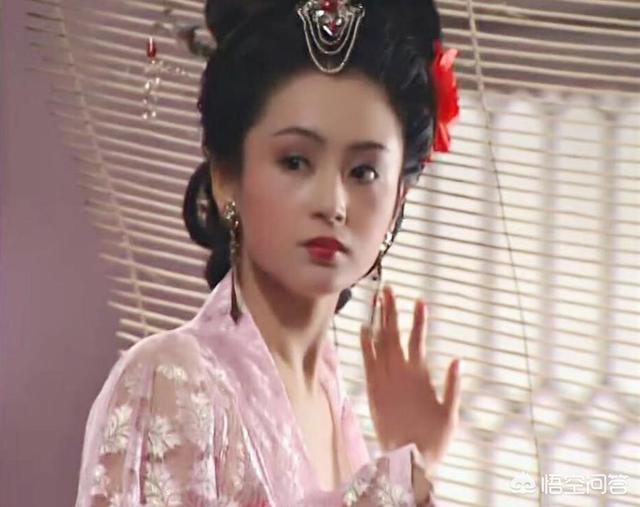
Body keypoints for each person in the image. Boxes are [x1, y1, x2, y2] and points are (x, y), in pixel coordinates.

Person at [74, 0, 463, 505]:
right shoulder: (171, 378)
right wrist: (398, 479)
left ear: (397, 203)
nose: (333, 204)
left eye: (364, 171)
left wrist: (409, 458)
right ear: (226, 179)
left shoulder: (333, 401)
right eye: (296, 161)